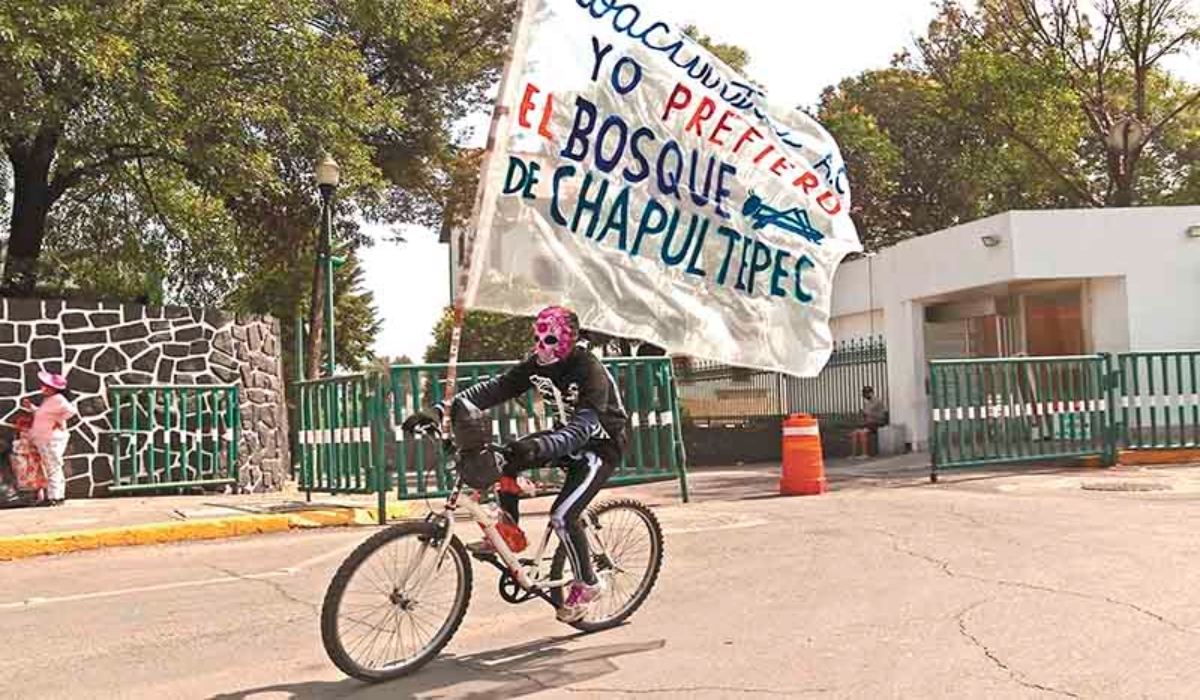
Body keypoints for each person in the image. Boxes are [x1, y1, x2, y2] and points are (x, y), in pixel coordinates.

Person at [404, 306, 629, 623]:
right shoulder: (537, 364)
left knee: (564, 515)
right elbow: (494, 389)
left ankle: (589, 583)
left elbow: (583, 428)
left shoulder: (588, 369)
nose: (541, 347)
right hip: (564, 436)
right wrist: (439, 411)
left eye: (550, 339)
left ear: (570, 339)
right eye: (537, 338)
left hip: (599, 444)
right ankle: (509, 532)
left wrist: (538, 445)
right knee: (505, 460)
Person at [23, 372, 78, 506]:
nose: (43, 387)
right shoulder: (50, 400)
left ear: (53, 388)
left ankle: (55, 497)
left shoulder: (58, 399)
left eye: (46, 386)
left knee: (53, 467)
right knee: (53, 466)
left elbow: (71, 411)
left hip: (50, 439)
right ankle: (57, 496)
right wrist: (32, 408)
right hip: (45, 438)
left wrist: (58, 420)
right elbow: (45, 414)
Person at [850, 386, 887, 459]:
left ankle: (865, 454)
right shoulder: (868, 403)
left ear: (870, 393)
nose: (864, 397)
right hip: (869, 424)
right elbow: (866, 413)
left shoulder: (877, 402)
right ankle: (854, 455)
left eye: (865, 395)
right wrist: (864, 414)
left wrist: (868, 413)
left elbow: (882, 416)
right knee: (854, 433)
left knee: (863, 433)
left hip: (877, 423)